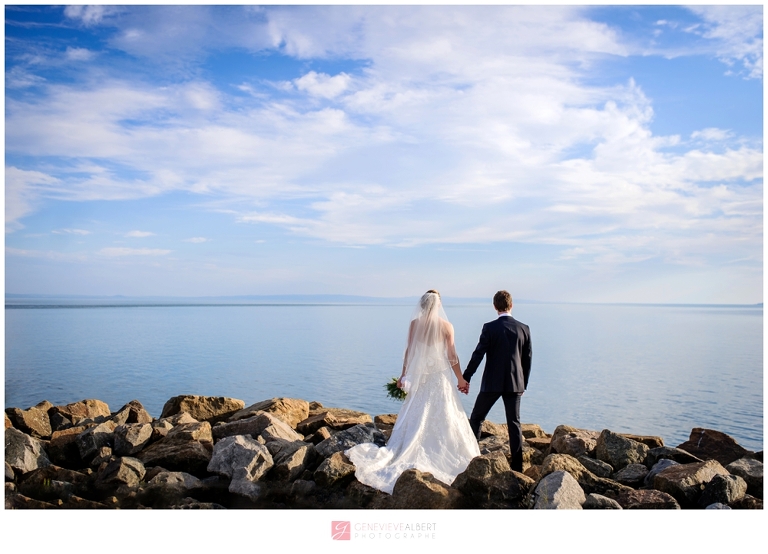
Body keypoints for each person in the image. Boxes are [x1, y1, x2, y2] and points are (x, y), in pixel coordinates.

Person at [345, 290, 480, 494]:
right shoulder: (446, 326)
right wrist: (461, 379)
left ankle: (410, 444)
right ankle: (442, 449)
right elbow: (452, 355)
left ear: (422, 305)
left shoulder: (415, 324)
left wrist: (403, 375)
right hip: (439, 376)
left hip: (421, 375)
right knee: (444, 410)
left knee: (418, 407)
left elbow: (410, 351)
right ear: (438, 305)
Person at [460, 290, 532, 472]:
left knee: (476, 418)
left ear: (495, 306)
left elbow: (478, 355)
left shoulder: (489, 328)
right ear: (511, 305)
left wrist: (466, 377)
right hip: (515, 383)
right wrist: (523, 383)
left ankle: (472, 459)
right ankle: (517, 468)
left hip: (491, 383)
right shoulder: (524, 328)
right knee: (514, 423)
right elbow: (527, 359)